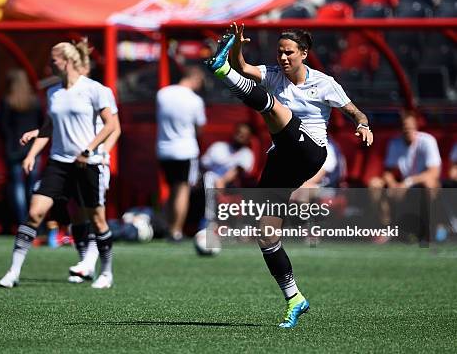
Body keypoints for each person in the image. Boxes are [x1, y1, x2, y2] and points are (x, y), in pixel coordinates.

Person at [206, 24, 373, 328]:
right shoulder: (272, 73)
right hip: (283, 158)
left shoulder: (325, 83)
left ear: (304, 54)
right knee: (266, 232)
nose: (283, 57)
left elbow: (355, 112)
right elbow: (243, 66)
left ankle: (220, 72)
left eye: (289, 52)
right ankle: (295, 298)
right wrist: (237, 49)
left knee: (273, 108)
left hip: (311, 152)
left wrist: (363, 125)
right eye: (280, 52)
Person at [0, 39, 117, 289]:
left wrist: (90, 149)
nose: (50, 65)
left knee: (97, 220)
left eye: (53, 60)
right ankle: (13, 271)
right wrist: (32, 152)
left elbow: (111, 126)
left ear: (67, 61)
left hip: (88, 163)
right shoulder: (53, 93)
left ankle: (105, 272)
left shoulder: (95, 90)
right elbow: (51, 126)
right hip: (58, 163)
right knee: (34, 213)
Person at [19, 76, 121, 284]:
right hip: (72, 162)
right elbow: (66, 125)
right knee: (76, 213)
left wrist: (103, 154)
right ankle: (85, 263)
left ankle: (93, 264)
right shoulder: (61, 92)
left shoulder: (99, 90)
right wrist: (39, 133)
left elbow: (114, 128)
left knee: (93, 214)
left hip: (94, 161)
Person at [368, 112, 441, 242]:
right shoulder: (395, 143)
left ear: (416, 127)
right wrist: (393, 185)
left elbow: (434, 172)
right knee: (374, 184)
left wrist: (407, 183)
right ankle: (386, 228)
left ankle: (429, 228)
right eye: (404, 127)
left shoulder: (427, 141)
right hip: (401, 184)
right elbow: (388, 171)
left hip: (418, 184)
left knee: (429, 184)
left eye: (410, 127)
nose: (407, 130)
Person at [156, 66, 207, 241]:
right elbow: (199, 128)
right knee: (182, 190)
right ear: (196, 79)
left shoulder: (162, 94)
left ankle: (169, 227)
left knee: (171, 189)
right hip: (185, 150)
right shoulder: (195, 100)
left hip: (164, 149)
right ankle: (176, 230)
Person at [0, 69, 44, 225]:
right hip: (33, 149)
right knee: (33, 185)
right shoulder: (34, 101)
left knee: (17, 185)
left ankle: (21, 220)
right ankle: (34, 219)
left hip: (14, 149)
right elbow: (42, 124)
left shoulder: (7, 101)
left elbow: (2, 127)